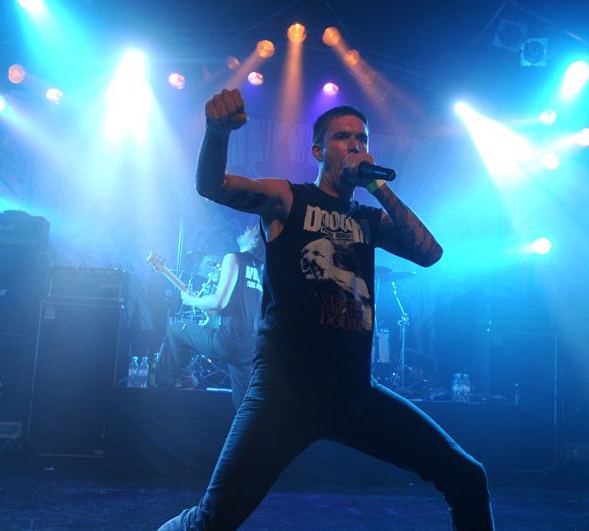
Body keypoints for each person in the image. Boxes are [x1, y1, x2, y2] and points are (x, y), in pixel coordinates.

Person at [157, 89, 495, 530]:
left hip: (352, 390)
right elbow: (212, 186)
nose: (355, 145)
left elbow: (430, 253)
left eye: (362, 138)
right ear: (318, 151)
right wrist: (217, 133)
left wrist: (377, 185)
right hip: (285, 391)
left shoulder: (369, 220)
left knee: (467, 476)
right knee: (213, 520)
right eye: (342, 137)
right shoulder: (287, 199)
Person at [165, 225, 263, 410]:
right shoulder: (261, 268)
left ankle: (186, 379)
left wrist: (191, 300)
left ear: (255, 240)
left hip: (227, 342)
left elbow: (219, 301)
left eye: (253, 229)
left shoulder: (233, 258)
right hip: (252, 349)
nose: (248, 227)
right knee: (244, 407)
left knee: (175, 330)